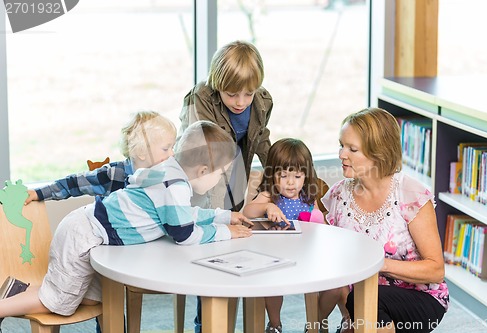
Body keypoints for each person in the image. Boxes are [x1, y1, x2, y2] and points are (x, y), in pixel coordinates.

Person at [0, 115, 253, 329]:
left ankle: (18, 290)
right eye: (220, 174)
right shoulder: (174, 186)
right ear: (203, 171)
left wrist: (223, 216)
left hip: (89, 229)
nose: (220, 179)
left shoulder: (169, 172)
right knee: (57, 303)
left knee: (90, 300)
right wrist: (225, 232)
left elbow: (182, 216)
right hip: (84, 234)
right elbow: (185, 234)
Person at [318, 107, 449, 333]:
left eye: (352, 149)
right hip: (360, 300)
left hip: (420, 297)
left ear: (378, 153)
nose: (341, 154)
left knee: (366, 301)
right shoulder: (338, 195)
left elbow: (435, 270)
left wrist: (378, 264)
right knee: (362, 303)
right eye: (341, 145)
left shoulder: (410, 194)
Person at [242, 138, 326, 333]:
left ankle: (314, 322)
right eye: (283, 175)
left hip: (304, 256)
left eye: (297, 176)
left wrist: (315, 218)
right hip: (274, 257)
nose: (290, 183)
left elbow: (318, 223)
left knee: (324, 285)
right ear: (273, 175)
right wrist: (266, 206)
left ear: (306, 175)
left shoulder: (308, 196)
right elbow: (247, 212)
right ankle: (275, 324)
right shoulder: (270, 194)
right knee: (273, 288)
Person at [179, 40, 273, 211]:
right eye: (231, 94)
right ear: (218, 84)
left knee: (234, 207)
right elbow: (208, 155)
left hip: (236, 163)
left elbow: (261, 138)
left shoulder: (263, 102)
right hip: (202, 170)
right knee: (204, 215)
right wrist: (219, 216)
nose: (240, 102)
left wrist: (277, 173)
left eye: (249, 94)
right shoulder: (201, 98)